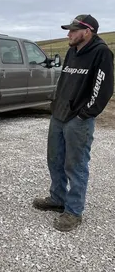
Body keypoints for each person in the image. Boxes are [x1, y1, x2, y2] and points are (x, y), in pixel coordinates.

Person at [33, 14, 114, 232]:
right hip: (59, 115)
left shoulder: (101, 53)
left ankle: (74, 211)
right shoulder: (71, 51)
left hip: (78, 120)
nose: (68, 34)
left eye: (73, 30)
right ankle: (58, 198)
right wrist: (56, 105)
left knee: (75, 165)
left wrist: (85, 114)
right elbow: (64, 81)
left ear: (87, 31)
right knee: (54, 159)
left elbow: (103, 88)